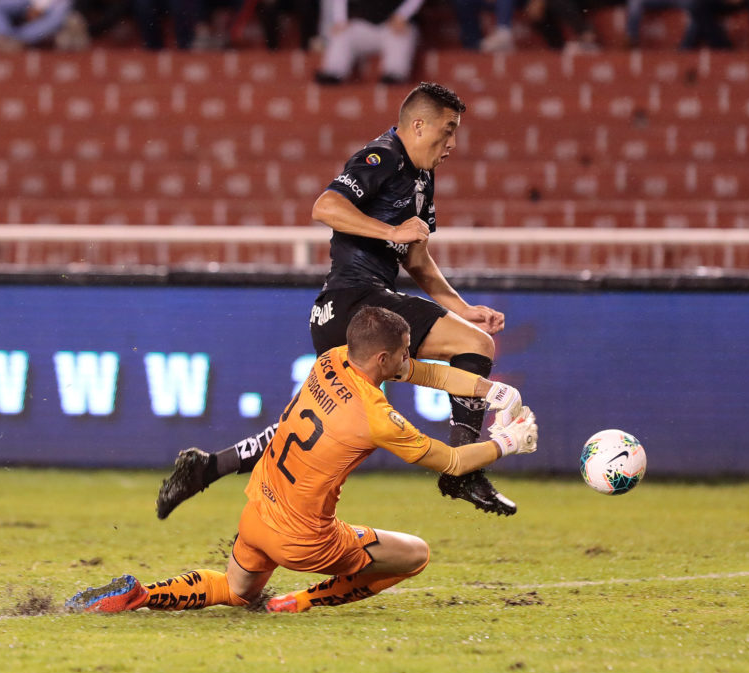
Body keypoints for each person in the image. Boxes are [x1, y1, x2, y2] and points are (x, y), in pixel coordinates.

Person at [155, 82, 520, 520]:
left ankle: (208, 467)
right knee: (476, 346)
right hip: (358, 303)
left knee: (320, 426)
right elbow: (325, 206)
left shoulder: (423, 176)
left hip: (340, 313)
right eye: (447, 131)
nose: (452, 144)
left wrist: (463, 308)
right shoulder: (383, 156)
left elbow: (418, 258)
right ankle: (462, 468)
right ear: (417, 125)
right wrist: (391, 232)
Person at [67, 307, 538, 615]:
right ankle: (299, 601)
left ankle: (140, 596)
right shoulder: (377, 418)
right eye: (403, 351)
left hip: (257, 512)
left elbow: (418, 370)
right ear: (381, 357)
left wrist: (486, 389)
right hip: (306, 540)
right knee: (415, 554)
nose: (409, 358)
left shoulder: (331, 359)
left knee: (234, 590)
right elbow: (454, 461)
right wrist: (508, 441)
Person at [314, 0, 424, 85]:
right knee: (343, 34)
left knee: (400, 36)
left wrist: (403, 15)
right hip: (365, 25)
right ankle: (333, 73)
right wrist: (340, 19)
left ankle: (394, 74)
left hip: (395, 26)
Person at [0, 0, 73, 52]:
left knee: (57, 18)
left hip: (55, 4)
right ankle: (4, 37)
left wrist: (39, 6)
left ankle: (18, 40)